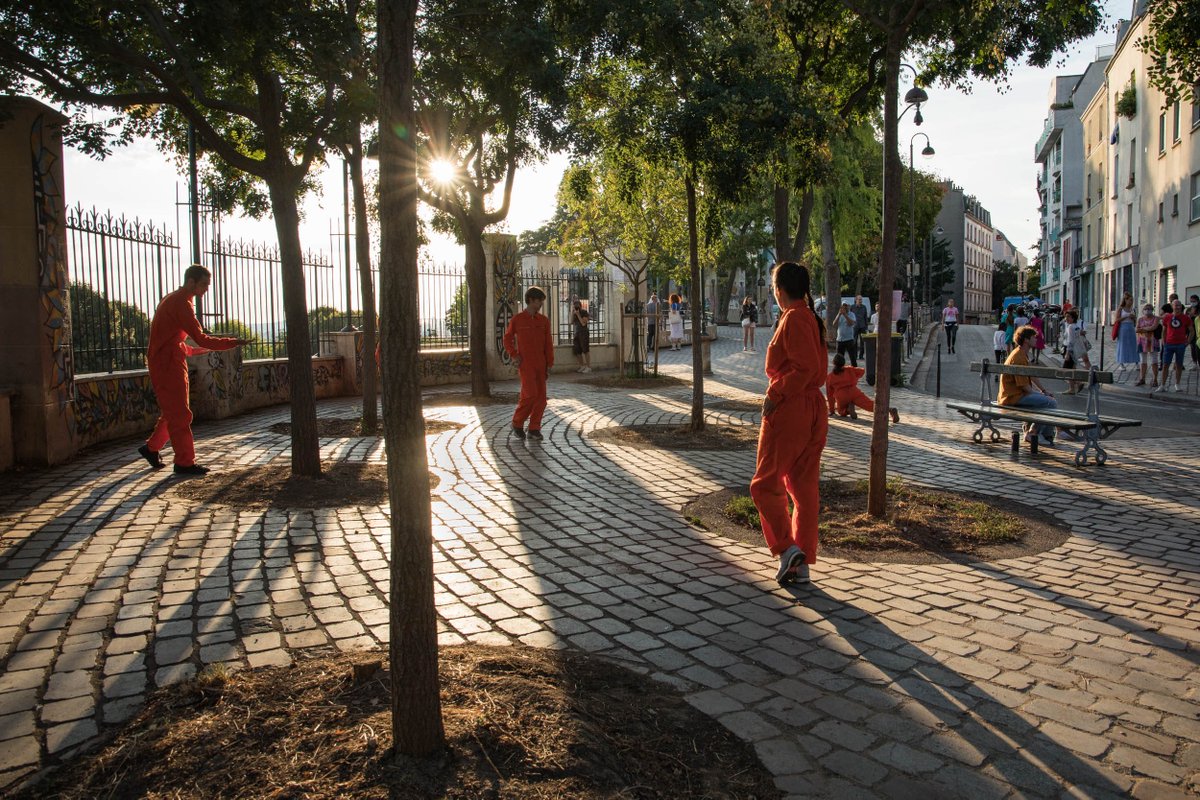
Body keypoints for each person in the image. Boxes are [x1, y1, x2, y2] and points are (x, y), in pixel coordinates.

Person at [749, 261, 827, 588]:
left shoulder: (794, 317)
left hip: (792, 407)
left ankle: (786, 549)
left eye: (773, 287)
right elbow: (812, 368)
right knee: (803, 488)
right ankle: (802, 562)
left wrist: (776, 394)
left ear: (780, 290)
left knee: (764, 484)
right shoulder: (808, 317)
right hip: (812, 408)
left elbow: (803, 367)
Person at [139, 264, 249, 475]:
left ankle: (151, 448)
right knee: (180, 413)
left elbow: (174, 340)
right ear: (191, 282)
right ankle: (184, 462)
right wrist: (232, 342)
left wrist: (193, 351)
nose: (206, 289)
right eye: (204, 284)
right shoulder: (181, 302)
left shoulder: (174, 299)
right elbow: (200, 338)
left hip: (171, 359)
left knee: (174, 410)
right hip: (167, 363)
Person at [503, 286, 554, 440]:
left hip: (541, 363)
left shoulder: (544, 321)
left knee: (541, 399)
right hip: (526, 364)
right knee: (530, 394)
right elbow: (507, 338)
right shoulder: (517, 320)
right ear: (531, 300)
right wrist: (514, 354)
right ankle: (517, 423)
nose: (541, 304)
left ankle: (534, 429)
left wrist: (549, 363)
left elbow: (548, 344)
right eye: (539, 301)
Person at [998, 325, 1058, 445]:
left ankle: (1044, 435)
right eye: (1033, 337)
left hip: (1014, 395)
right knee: (1050, 403)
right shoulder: (1018, 357)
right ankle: (1034, 433)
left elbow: (1032, 376)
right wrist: (1044, 397)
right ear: (1026, 340)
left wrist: (1044, 391)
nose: (1036, 339)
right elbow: (1025, 387)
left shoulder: (1021, 353)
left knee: (1046, 401)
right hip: (1012, 397)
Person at [826, 353, 899, 422]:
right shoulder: (849, 369)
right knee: (870, 405)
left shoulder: (830, 376)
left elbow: (830, 395)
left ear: (833, 363)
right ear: (843, 362)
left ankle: (848, 409)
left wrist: (832, 410)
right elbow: (862, 371)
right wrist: (854, 378)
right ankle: (889, 409)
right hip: (854, 391)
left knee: (841, 411)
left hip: (841, 395)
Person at [1155, 297, 1193, 393]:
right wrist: (1163, 341)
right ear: (1172, 307)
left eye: (1179, 305)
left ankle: (1177, 384)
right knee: (1165, 365)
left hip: (1180, 344)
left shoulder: (1186, 318)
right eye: (1175, 305)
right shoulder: (1167, 317)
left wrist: (1187, 341)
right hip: (1169, 344)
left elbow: (1192, 331)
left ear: (1181, 307)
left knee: (1179, 365)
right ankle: (1162, 385)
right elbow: (1164, 330)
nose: (1177, 307)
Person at [1062, 308, 1092, 395]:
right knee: (1072, 369)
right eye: (1066, 316)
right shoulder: (1076, 326)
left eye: (1068, 317)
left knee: (1066, 370)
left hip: (1071, 351)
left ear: (1073, 318)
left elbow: (1071, 341)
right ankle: (1075, 385)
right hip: (1075, 351)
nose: (1066, 318)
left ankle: (1075, 385)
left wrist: (1068, 353)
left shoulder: (1070, 327)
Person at [1134, 304, 1160, 388]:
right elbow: (1137, 329)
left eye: (1149, 309)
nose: (1147, 310)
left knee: (1154, 361)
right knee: (1143, 361)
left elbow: (1154, 327)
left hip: (1153, 342)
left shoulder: (1155, 318)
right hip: (1142, 341)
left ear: (1152, 310)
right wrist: (1147, 329)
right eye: (1146, 309)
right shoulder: (1140, 319)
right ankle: (1142, 378)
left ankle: (1155, 379)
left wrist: (1143, 329)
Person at [1114, 291, 1138, 369]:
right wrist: (1126, 316)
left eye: (1132, 300)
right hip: (1123, 328)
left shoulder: (1132, 309)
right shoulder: (1121, 309)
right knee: (1123, 345)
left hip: (1131, 327)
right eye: (1130, 300)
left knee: (1133, 345)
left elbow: (1135, 320)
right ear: (1126, 300)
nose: (1131, 302)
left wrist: (1134, 318)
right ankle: (1121, 362)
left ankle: (1136, 361)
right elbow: (1117, 320)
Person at [834, 302, 858, 368]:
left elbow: (851, 323)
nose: (845, 307)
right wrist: (839, 314)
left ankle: (855, 371)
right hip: (840, 339)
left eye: (846, 306)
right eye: (843, 306)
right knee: (839, 359)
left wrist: (845, 315)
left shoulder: (852, 314)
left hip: (849, 339)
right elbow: (834, 324)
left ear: (849, 307)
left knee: (852, 358)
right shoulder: (839, 314)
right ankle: (838, 371)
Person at [571, 299, 591, 373]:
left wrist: (578, 314)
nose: (576, 308)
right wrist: (572, 312)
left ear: (580, 306)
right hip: (577, 333)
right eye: (575, 306)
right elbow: (571, 322)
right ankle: (582, 366)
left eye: (577, 306)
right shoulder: (574, 313)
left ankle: (588, 367)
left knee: (585, 350)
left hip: (584, 333)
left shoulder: (584, 312)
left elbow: (583, 323)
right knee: (577, 351)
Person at [644, 293, 659, 361]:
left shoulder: (648, 305)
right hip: (655, 322)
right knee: (655, 335)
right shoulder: (658, 305)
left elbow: (646, 313)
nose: (657, 299)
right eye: (656, 298)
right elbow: (659, 313)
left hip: (650, 322)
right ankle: (654, 347)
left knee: (650, 335)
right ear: (654, 299)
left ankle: (648, 346)